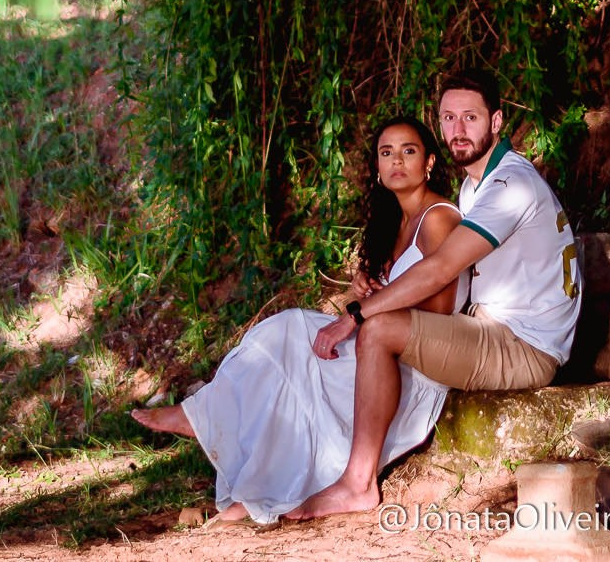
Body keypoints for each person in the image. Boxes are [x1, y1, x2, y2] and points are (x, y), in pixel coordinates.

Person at [128, 116, 469, 524]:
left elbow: (440, 310)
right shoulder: (393, 223)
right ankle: (254, 485)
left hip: (416, 363)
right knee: (289, 341)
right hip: (384, 349)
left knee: (293, 334)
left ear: (429, 162)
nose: (397, 160)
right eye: (386, 152)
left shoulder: (438, 218)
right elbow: (398, 296)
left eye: (408, 151)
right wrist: (370, 292)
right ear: (377, 168)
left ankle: (208, 420)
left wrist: (368, 310)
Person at [284, 67, 582, 520]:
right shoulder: (475, 184)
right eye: (448, 118)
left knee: (377, 329)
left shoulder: (510, 185)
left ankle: (357, 483)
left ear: (497, 122)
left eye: (471, 118)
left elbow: (441, 267)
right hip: (495, 330)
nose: (457, 130)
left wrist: (356, 313)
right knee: (368, 329)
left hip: (525, 346)